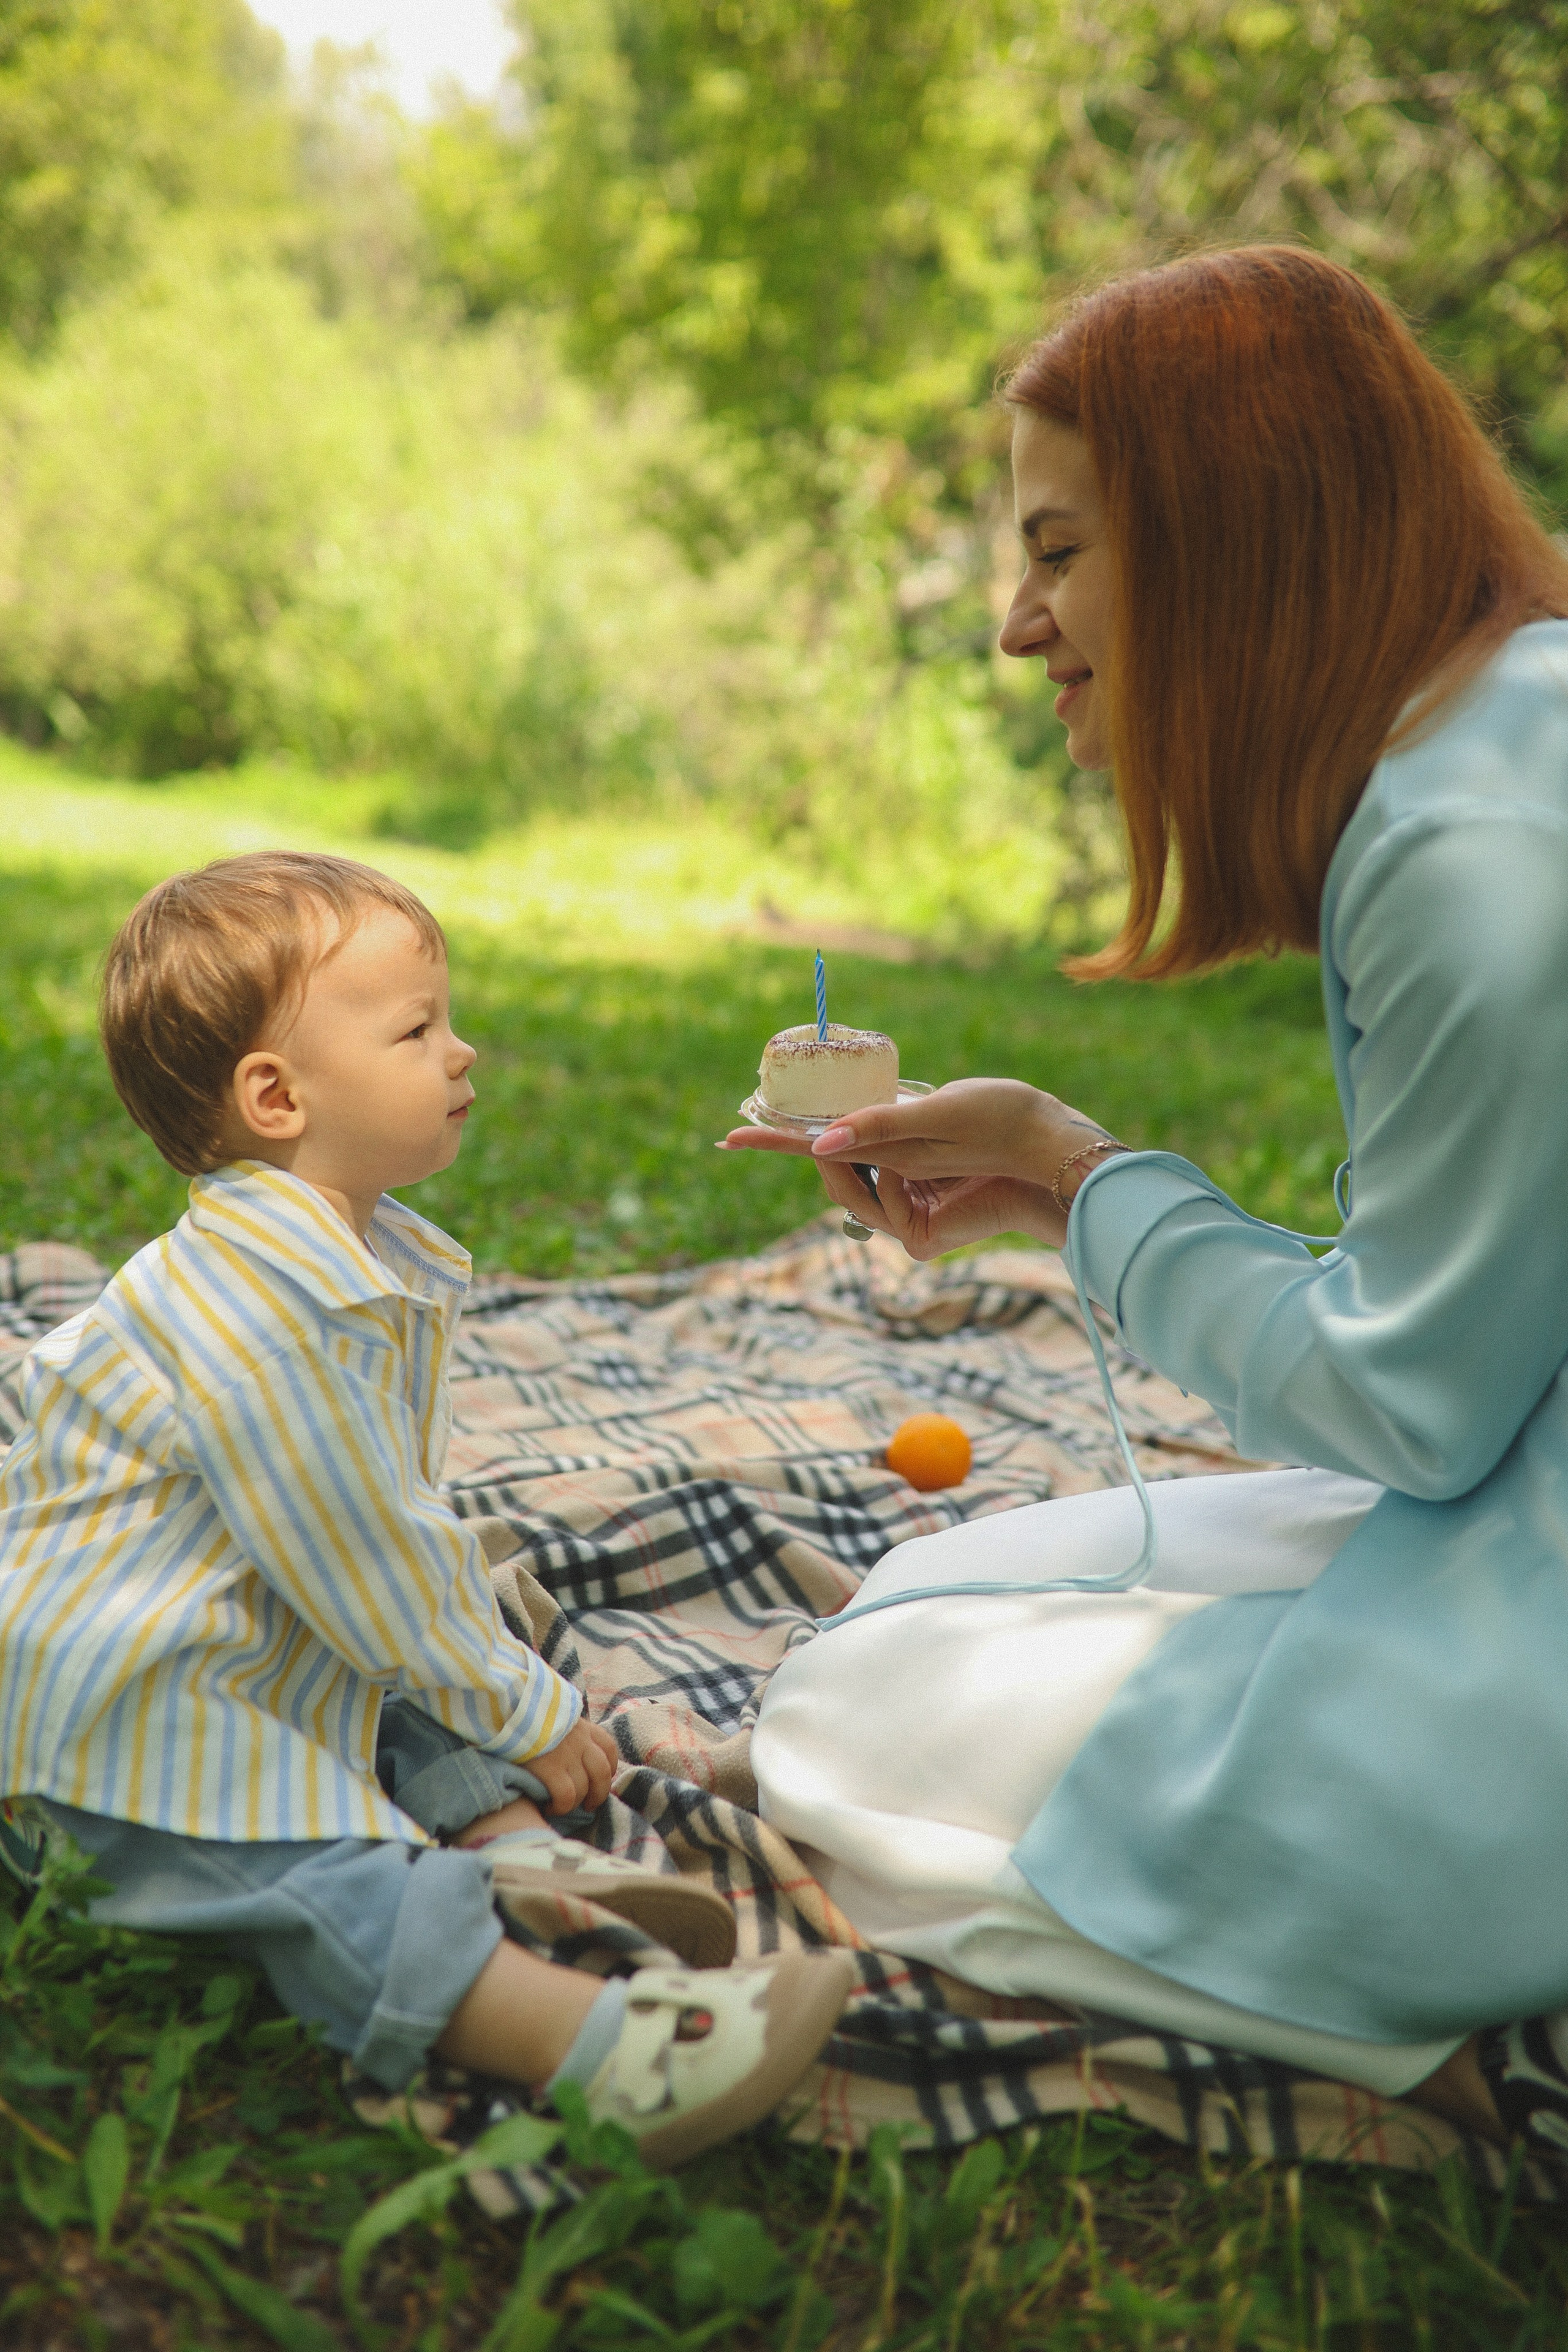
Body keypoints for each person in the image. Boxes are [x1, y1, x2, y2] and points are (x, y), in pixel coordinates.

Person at [725, 246, 1568, 2159]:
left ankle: (1459, 2029)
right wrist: (1053, 1177)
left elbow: (1408, 1406)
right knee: (928, 1595)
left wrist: (1078, 1176)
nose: (1017, 625)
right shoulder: (1506, 726)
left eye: (1059, 551)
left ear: (1227, 540)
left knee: (863, 1718)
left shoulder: (1467, 856)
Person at [0, 851, 851, 2166]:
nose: (464, 1053)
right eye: (416, 1031)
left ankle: (510, 1848)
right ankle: (600, 2051)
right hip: (117, 1742)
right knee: (315, 1874)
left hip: (227, 1643)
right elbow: (375, 1574)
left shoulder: (337, 1257)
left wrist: (473, 1674)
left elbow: (387, 1572)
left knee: (416, 1666)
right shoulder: (266, 1328)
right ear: (277, 1097)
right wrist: (527, 1709)